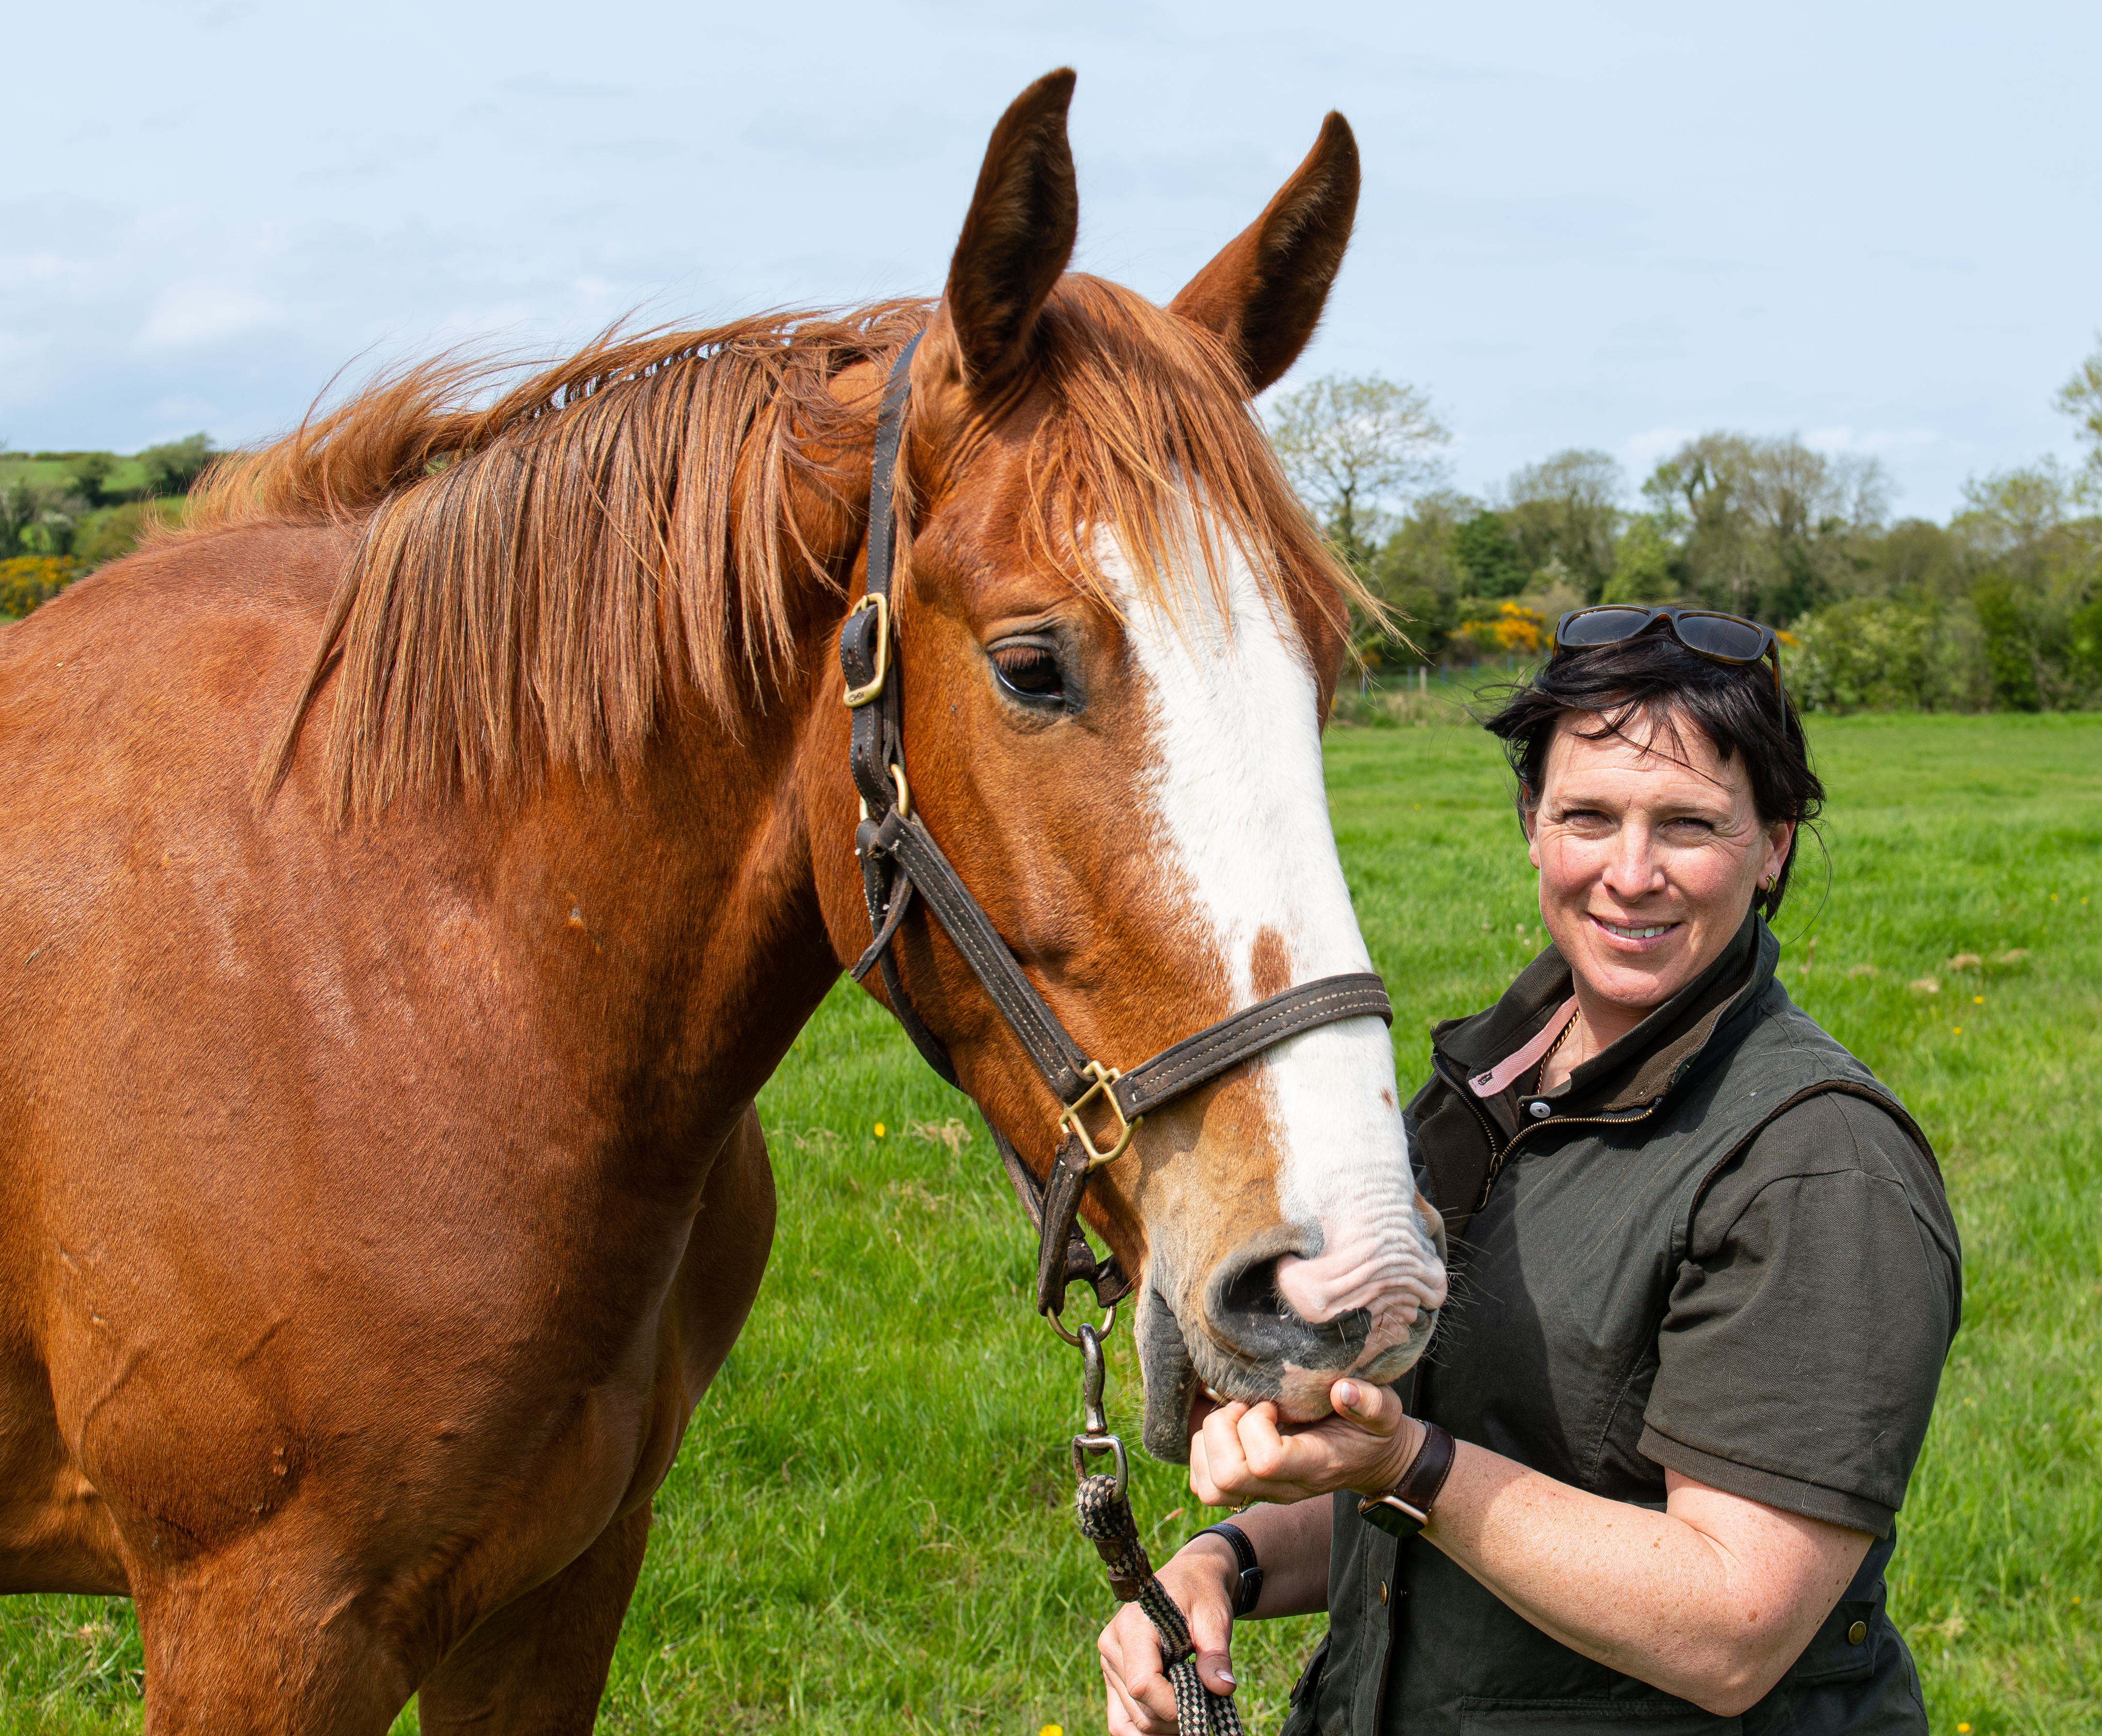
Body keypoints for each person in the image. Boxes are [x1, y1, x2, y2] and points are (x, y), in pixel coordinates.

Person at [1098, 606, 1961, 1736]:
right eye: (1588, 816)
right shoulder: (1482, 1088)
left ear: (1774, 846)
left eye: (1690, 823)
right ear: (1530, 821)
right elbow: (1418, 1483)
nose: (1631, 872)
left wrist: (1408, 1461)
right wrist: (1222, 1567)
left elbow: (1733, 1624)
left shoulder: (1817, 1169)